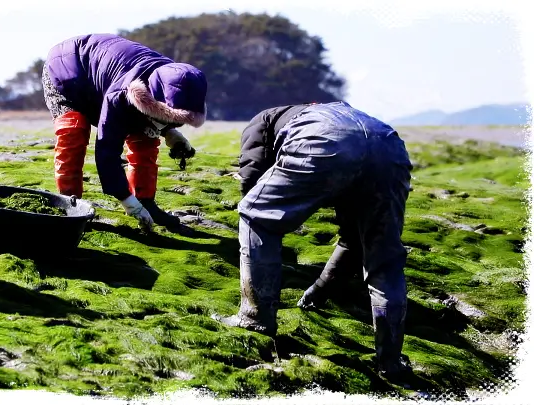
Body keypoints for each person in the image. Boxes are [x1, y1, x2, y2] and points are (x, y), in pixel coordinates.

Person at [211, 101, 414, 379]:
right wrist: (317, 292)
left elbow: (251, 177)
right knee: (383, 258)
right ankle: (390, 363)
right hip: (389, 149)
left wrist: (261, 198)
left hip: (324, 140)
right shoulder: (333, 111)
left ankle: (254, 319)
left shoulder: (264, 119)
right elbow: (353, 241)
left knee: (254, 215)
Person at [42, 33, 206, 232]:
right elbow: (107, 152)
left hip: (105, 75)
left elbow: (160, 113)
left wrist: (169, 132)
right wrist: (129, 202)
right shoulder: (119, 96)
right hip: (66, 70)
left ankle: (146, 201)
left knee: (145, 136)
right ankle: (70, 204)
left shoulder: (176, 78)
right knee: (73, 133)